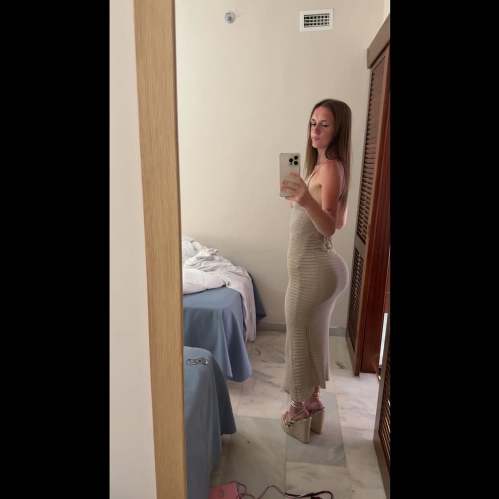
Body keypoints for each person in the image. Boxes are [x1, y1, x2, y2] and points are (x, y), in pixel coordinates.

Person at [280, 98, 351, 443]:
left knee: (297, 339)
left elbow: (329, 228)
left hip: (312, 272)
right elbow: (339, 218)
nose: (316, 130)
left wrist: (306, 200)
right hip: (319, 270)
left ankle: (297, 411)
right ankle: (313, 403)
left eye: (324, 124)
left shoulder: (330, 168)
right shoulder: (325, 167)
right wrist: (301, 199)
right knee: (312, 337)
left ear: (338, 130)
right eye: (312, 123)